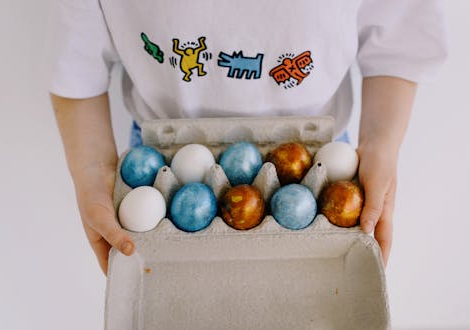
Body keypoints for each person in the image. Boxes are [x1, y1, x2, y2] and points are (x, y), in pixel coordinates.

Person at [49, 0, 447, 274]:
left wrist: (380, 144)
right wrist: (93, 171)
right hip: (160, 164)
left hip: (322, 165)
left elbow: (397, 39)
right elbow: (76, 64)